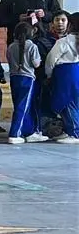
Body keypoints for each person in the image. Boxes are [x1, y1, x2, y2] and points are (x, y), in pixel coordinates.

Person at [6, 22, 47, 144]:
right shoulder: (32, 46)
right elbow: (36, 64)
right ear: (31, 33)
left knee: (19, 105)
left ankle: (28, 131)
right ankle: (14, 133)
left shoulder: (11, 46)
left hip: (14, 77)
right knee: (23, 106)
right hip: (27, 78)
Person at [43, 13, 79, 144]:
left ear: (70, 24)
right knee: (74, 103)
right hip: (76, 72)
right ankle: (70, 130)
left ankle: (74, 133)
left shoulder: (64, 42)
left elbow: (51, 59)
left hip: (65, 74)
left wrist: (48, 74)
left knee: (66, 103)